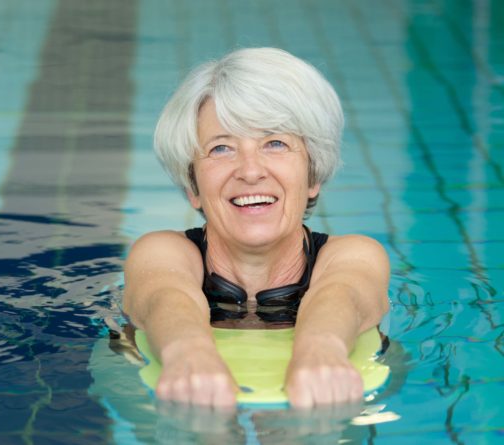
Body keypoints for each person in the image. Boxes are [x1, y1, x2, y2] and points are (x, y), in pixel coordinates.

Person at [122, 47, 389, 409]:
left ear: (313, 174)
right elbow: (166, 296)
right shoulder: (162, 253)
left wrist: (320, 349)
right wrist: (189, 350)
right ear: (193, 186)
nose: (250, 171)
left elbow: (342, 294)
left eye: (275, 143)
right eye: (221, 149)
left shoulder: (352, 255)